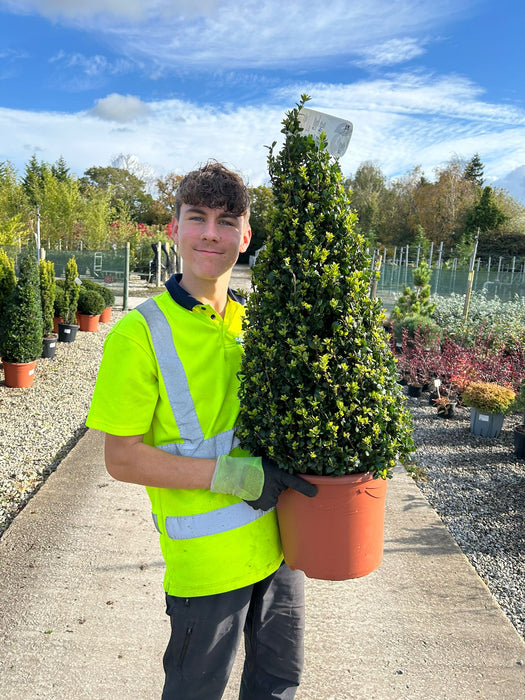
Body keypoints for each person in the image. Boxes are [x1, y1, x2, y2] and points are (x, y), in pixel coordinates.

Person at [86, 161, 317, 700]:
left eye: (227, 220)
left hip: (282, 547)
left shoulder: (256, 325)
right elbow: (121, 459)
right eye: (197, 217)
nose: (211, 233)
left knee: (279, 682)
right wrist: (233, 476)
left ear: (246, 235)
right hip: (205, 567)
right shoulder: (140, 334)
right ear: (174, 229)